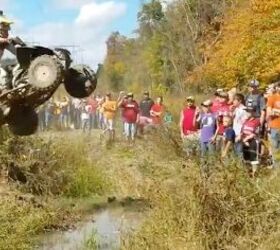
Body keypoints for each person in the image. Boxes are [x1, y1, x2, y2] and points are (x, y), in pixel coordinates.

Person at [236, 106, 261, 174]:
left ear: (253, 112)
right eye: (246, 111)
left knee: (253, 158)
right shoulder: (245, 121)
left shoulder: (257, 121)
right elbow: (242, 132)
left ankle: (255, 173)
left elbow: (255, 133)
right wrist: (240, 137)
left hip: (253, 141)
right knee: (246, 158)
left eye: (249, 111)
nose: (247, 113)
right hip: (245, 141)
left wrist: (246, 139)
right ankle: (247, 173)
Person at [267, 81, 280, 168]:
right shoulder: (272, 98)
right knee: (275, 148)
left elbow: (273, 111)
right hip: (275, 126)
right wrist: (274, 111)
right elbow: (269, 112)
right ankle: (277, 169)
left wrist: (276, 111)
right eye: (279, 87)